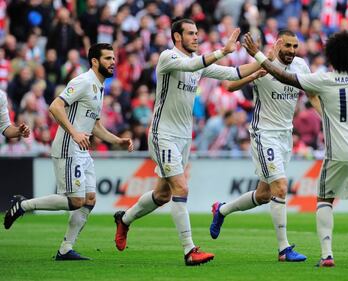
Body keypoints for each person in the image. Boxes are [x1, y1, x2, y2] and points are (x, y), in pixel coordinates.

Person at [243, 23, 348, 267]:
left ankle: (327, 255)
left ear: (332, 56)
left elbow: (284, 76)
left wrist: (257, 54)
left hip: (339, 151)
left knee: (325, 200)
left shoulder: (324, 80)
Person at [113, 18, 260, 266]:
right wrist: (222, 50)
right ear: (177, 37)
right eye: (191, 33)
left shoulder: (197, 62)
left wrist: (262, 65)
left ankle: (124, 220)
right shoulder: (167, 58)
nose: (195, 37)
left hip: (183, 138)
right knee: (181, 189)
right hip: (163, 134)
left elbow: (232, 73)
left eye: (197, 33)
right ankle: (189, 250)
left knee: (161, 195)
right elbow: (193, 66)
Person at [3, 43, 134, 260]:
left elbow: (95, 126)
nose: (113, 62)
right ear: (94, 61)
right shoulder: (83, 81)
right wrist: (74, 132)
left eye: (113, 58)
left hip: (82, 149)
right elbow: (55, 106)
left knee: (89, 199)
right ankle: (24, 205)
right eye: (108, 58)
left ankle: (65, 248)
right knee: (75, 201)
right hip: (68, 146)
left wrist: (117, 140)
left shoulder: (99, 88)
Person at [209, 30, 321, 262]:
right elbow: (230, 86)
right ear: (278, 44)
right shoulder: (264, 63)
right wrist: (255, 74)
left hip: (285, 137)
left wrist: (327, 122)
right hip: (264, 134)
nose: (291, 50)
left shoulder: (301, 65)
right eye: (287, 45)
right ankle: (284, 249)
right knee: (280, 187)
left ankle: (221, 210)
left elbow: (312, 95)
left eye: (294, 46)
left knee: (263, 195)